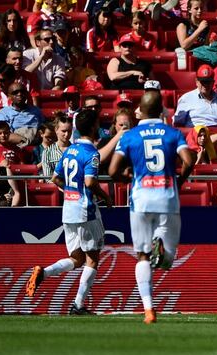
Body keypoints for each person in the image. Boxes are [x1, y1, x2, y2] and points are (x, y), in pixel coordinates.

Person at [109, 91, 194, 324]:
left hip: (141, 199)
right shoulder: (173, 133)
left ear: (141, 110)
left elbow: (113, 171)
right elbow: (189, 159)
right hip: (167, 197)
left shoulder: (129, 136)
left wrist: (128, 178)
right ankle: (162, 249)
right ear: (161, 111)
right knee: (167, 261)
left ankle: (149, 310)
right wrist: (180, 181)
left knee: (142, 255)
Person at [25, 109, 112, 315]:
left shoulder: (68, 152)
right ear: (93, 128)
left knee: (78, 259)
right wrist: (105, 196)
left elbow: (55, 179)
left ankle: (43, 273)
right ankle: (79, 305)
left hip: (68, 210)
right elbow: (90, 182)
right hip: (85, 211)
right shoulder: (91, 153)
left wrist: (70, 190)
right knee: (92, 259)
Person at [41, 111, 72, 178]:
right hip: (55, 188)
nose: (67, 134)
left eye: (69, 131)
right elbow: (48, 178)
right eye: (63, 131)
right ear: (56, 130)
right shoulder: (47, 152)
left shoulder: (77, 150)